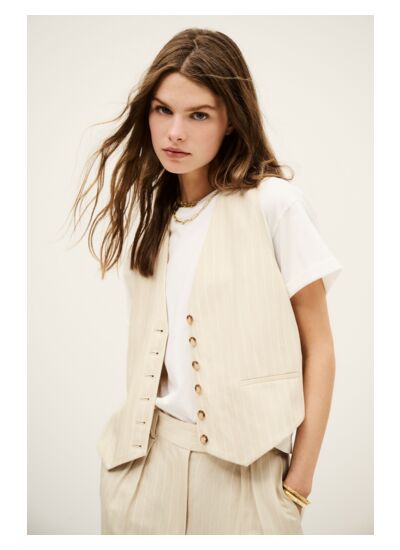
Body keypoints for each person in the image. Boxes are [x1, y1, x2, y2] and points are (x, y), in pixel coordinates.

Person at [70, 27, 343, 535]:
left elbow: (320, 347)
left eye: (198, 115)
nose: (175, 132)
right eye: (163, 110)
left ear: (230, 121)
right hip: (143, 473)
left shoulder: (274, 206)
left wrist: (298, 483)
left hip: (245, 477)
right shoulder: (150, 216)